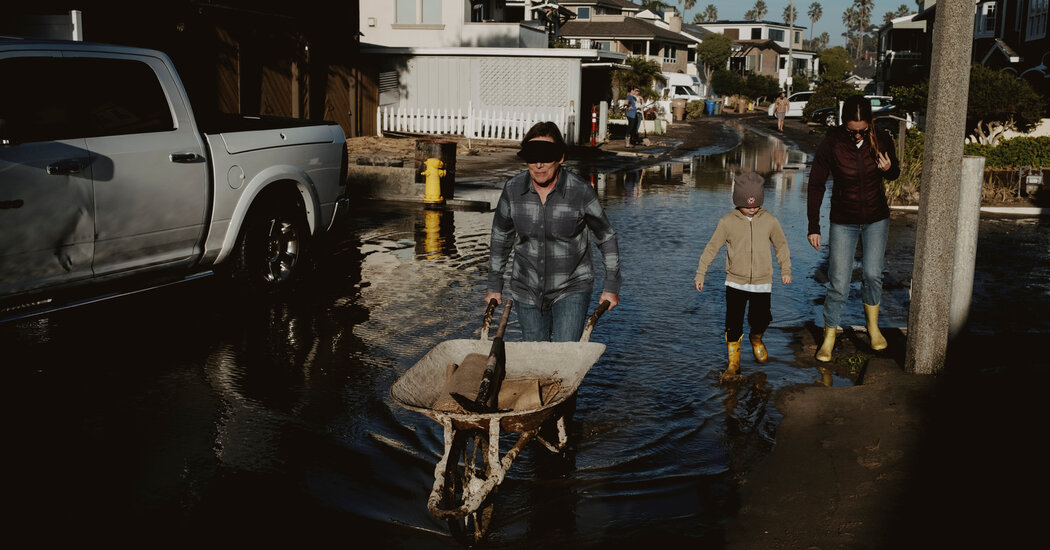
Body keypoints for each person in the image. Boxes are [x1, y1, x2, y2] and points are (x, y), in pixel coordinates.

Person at [486, 121, 621, 342]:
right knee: (536, 357)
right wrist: (494, 285)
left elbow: (606, 237)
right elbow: (501, 237)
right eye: (532, 156)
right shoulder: (513, 190)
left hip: (571, 286)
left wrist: (611, 286)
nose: (539, 163)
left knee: (563, 355)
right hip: (526, 288)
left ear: (560, 157)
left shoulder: (580, 191)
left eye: (546, 156)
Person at [807, 95, 901, 362]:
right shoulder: (832, 143)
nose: (858, 135)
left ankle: (872, 327)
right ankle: (829, 337)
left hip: (876, 218)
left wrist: (889, 168)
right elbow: (815, 184)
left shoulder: (881, 138)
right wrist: (813, 225)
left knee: (872, 274)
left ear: (870, 124)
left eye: (863, 130)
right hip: (843, 220)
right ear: (843, 124)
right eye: (853, 130)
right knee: (839, 283)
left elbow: (894, 173)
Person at [694, 172, 792, 377]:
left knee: (761, 319)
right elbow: (712, 248)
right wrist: (701, 273)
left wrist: (786, 270)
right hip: (735, 282)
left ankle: (756, 338)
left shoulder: (770, 221)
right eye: (748, 206)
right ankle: (734, 364)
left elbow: (781, 246)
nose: (752, 209)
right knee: (733, 322)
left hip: (762, 281)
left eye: (756, 205)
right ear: (738, 201)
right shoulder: (727, 222)